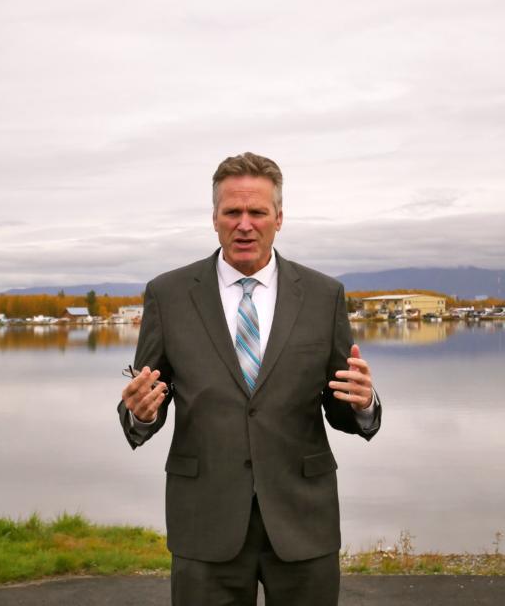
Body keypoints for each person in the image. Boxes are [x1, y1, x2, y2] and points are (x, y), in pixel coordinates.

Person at [117, 152, 381, 605]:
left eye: (257, 212)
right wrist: (139, 415)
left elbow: (341, 405)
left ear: (279, 218)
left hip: (303, 518)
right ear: (214, 219)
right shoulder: (169, 294)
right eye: (232, 212)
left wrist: (362, 403)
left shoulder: (323, 295)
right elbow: (146, 398)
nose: (245, 224)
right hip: (205, 519)